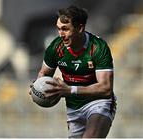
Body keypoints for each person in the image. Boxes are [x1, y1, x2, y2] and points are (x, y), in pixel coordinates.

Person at [30, 5, 117, 138]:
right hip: (73, 106)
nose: (60, 34)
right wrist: (38, 86)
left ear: (80, 28)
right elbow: (44, 74)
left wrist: (70, 90)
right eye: (58, 29)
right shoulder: (55, 47)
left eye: (65, 29)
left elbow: (105, 88)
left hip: (99, 102)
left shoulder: (98, 47)